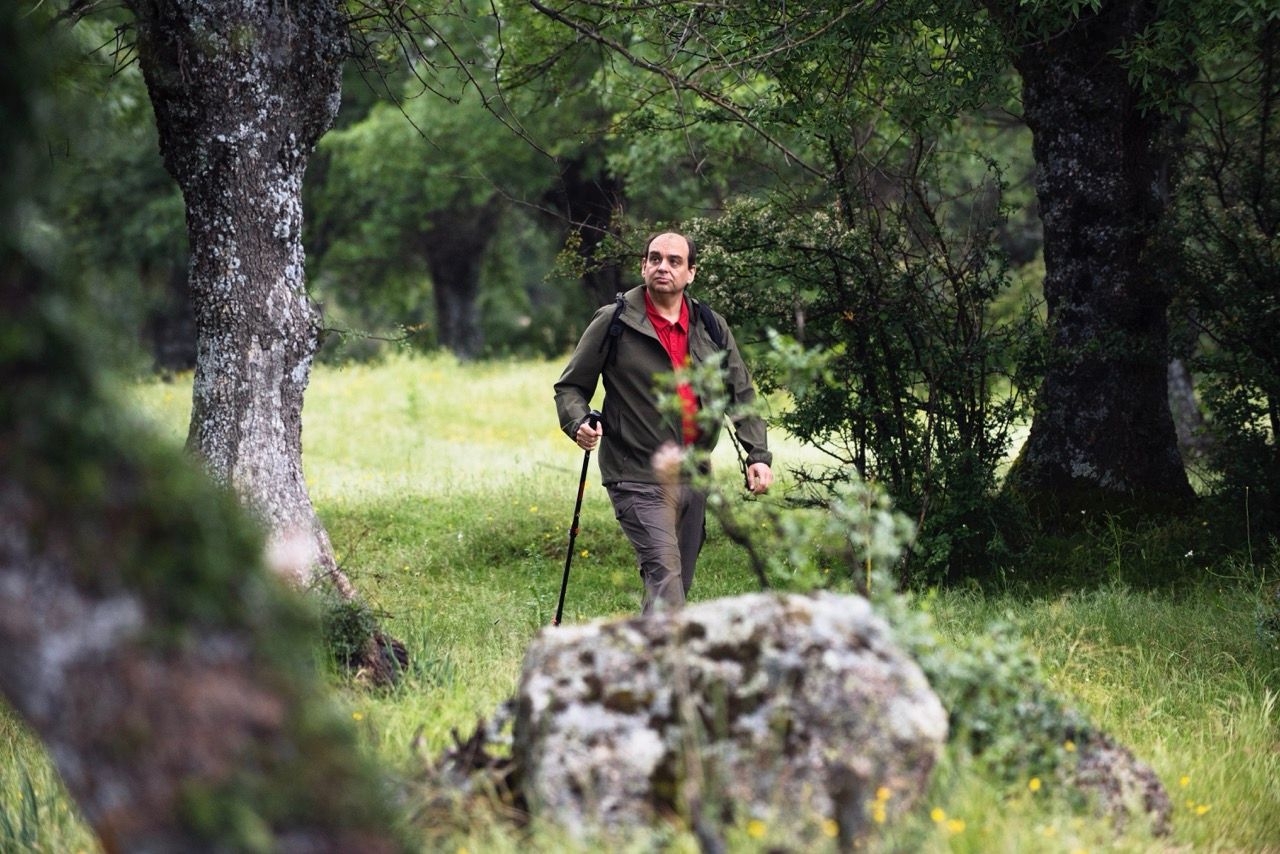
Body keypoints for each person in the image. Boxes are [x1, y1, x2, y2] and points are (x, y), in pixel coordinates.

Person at [554, 231, 773, 614]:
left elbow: (740, 394)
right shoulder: (615, 321)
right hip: (636, 473)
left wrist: (757, 454)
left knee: (671, 586)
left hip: (693, 475)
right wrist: (578, 423)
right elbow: (570, 387)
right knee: (666, 578)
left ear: (691, 273)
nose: (663, 267)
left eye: (674, 261)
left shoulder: (710, 325)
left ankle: (643, 666)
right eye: (655, 259)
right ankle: (677, 671)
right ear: (643, 266)